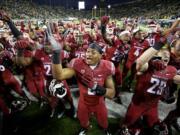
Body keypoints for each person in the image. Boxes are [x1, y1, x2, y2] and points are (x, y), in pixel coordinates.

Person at [47, 23, 115, 135]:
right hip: (83, 101)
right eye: (87, 51)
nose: (88, 54)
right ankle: (85, 127)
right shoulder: (78, 64)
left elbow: (111, 93)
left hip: (99, 102)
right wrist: (56, 53)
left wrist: (98, 88)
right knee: (82, 119)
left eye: (93, 52)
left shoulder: (107, 66)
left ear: (101, 56)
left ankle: (105, 129)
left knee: (103, 121)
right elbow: (59, 75)